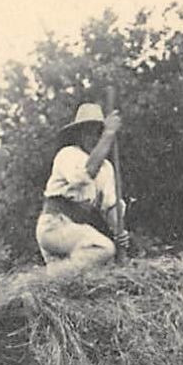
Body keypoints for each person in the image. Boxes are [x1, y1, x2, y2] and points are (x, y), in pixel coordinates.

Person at [35, 101, 127, 267]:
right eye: (87, 132)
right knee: (104, 249)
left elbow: (110, 206)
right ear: (78, 135)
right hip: (55, 226)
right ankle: (48, 279)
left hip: (77, 234)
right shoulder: (68, 154)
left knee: (104, 265)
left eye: (97, 133)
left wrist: (119, 233)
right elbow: (85, 175)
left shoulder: (106, 168)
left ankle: (55, 278)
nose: (93, 138)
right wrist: (109, 133)